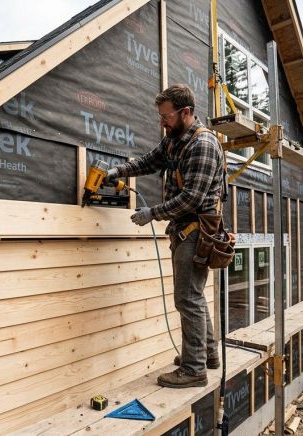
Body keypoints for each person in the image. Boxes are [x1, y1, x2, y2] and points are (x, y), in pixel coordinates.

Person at [106, 84, 224, 388]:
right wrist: (118, 171)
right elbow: (148, 161)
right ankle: (207, 354)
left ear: (186, 113)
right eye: (160, 116)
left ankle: (193, 369)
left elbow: (192, 198)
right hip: (184, 229)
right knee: (193, 297)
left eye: (166, 116)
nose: (162, 122)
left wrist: (152, 213)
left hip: (196, 229)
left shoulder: (203, 144)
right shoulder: (174, 140)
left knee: (187, 298)